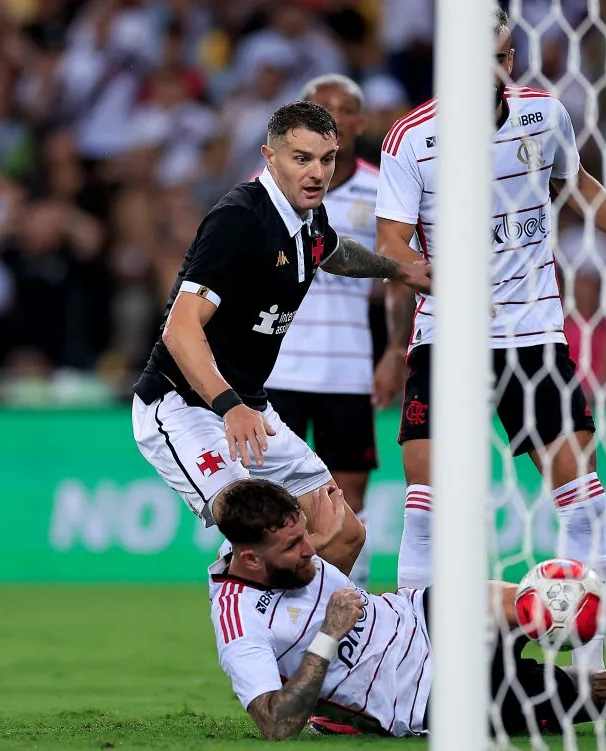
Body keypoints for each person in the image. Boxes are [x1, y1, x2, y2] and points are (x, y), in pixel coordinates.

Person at [374, 9, 606, 666]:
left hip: (534, 333)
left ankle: (591, 665)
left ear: (510, 60)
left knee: (583, 497)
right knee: (427, 501)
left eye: (503, 56)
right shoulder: (410, 137)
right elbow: (390, 244)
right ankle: (409, 657)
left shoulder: (544, 115)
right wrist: (438, 275)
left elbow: (579, 185)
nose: (495, 68)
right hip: (445, 338)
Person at [208, 479, 606, 740]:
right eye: (291, 547)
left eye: (302, 535)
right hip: (429, 696)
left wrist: (340, 527)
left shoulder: (293, 546)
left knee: (562, 601)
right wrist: (326, 640)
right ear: (250, 560)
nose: (308, 552)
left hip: (424, 615)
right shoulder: (240, 618)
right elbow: (273, 723)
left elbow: (331, 550)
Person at [132, 101, 430, 574]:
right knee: (257, 539)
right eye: (301, 158)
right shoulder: (240, 219)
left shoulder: (308, 215)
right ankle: (244, 644)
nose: (316, 172)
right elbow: (180, 328)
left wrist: (400, 271)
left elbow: (334, 252)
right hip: (183, 405)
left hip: (251, 406)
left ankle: (320, 648)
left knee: (342, 534)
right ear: (270, 157)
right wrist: (229, 406)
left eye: (326, 159)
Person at [265, 74, 406, 588]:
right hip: (275, 365)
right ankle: (277, 610)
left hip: (348, 367)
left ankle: (352, 611)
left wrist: (394, 351)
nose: (331, 117)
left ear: (359, 123)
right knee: (273, 501)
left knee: (348, 498)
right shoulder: (268, 189)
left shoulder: (382, 185)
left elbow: (397, 278)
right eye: (318, 108)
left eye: (343, 110)